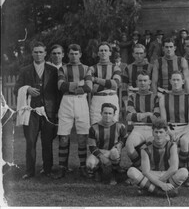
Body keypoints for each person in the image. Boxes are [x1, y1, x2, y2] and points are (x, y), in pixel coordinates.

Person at [14, 42, 61, 179]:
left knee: (47, 142)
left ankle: (47, 170)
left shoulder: (53, 70)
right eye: (36, 52)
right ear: (32, 53)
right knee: (30, 142)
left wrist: (56, 111)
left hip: (48, 112)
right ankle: (29, 171)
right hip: (30, 112)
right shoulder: (25, 70)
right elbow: (16, 89)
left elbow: (58, 93)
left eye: (41, 52)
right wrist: (26, 89)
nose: (38, 54)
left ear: (46, 53)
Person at [55, 44, 93, 179]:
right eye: (71, 54)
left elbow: (89, 87)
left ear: (81, 54)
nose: (74, 56)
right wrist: (79, 84)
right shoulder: (62, 68)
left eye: (76, 53)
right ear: (68, 55)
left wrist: (71, 86)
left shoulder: (87, 68)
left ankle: (82, 167)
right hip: (66, 102)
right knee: (64, 137)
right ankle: (62, 168)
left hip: (81, 101)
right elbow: (61, 86)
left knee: (82, 137)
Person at [127, 119, 189, 197]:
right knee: (131, 171)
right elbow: (146, 172)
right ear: (152, 132)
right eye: (156, 132)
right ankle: (159, 192)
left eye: (161, 132)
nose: (158, 135)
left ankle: (150, 189)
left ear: (166, 133)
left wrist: (160, 182)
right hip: (152, 174)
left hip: (167, 174)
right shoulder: (145, 148)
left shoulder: (172, 146)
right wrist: (162, 185)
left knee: (184, 172)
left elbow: (174, 168)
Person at [159, 71, 189, 168]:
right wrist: (170, 133)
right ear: (170, 81)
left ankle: (182, 165)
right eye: (173, 80)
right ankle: (164, 167)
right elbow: (164, 121)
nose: (175, 82)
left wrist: (179, 134)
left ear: (183, 81)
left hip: (185, 128)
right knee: (163, 140)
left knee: (184, 141)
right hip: (169, 128)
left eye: (178, 80)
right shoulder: (163, 98)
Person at [86, 103, 128, 185]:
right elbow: (92, 146)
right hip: (100, 151)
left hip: (112, 150)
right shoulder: (93, 128)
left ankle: (114, 173)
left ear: (114, 115)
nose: (107, 115)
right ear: (101, 113)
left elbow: (125, 137)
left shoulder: (120, 126)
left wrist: (120, 144)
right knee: (90, 163)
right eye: (105, 113)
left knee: (114, 152)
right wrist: (102, 157)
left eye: (110, 113)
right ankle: (98, 171)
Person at [125, 71, 160, 168]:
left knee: (152, 147)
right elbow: (129, 116)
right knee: (129, 145)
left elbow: (156, 118)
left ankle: (151, 168)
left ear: (149, 82)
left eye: (145, 80)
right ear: (136, 82)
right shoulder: (132, 97)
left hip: (151, 129)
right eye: (140, 80)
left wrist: (138, 116)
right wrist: (147, 114)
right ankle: (140, 167)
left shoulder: (156, 97)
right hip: (137, 128)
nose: (142, 83)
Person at [87, 42, 121, 125]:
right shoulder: (92, 68)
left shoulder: (115, 67)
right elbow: (91, 87)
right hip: (97, 99)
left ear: (110, 53)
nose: (103, 52)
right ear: (98, 53)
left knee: (113, 126)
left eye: (106, 50)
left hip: (111, 97)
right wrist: (109, 83)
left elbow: (115, 84)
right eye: (101, 50)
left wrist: (96, 79)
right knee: (95, 125)